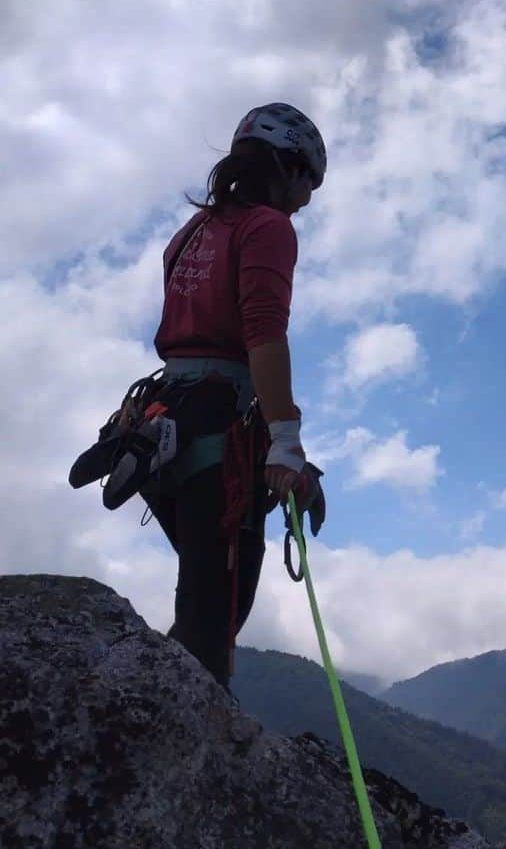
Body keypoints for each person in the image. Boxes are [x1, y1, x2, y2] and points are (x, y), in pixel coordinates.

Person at [145, 101, 327, 689]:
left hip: (161, 424)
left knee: (201, 604)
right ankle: (188, 758)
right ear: (288, 167)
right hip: (218, 435)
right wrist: (286, 443)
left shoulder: (191, 232)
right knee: (213, 622)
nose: (306, 199)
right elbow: (263, 334)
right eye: (308, 181)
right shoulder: (267, 227)